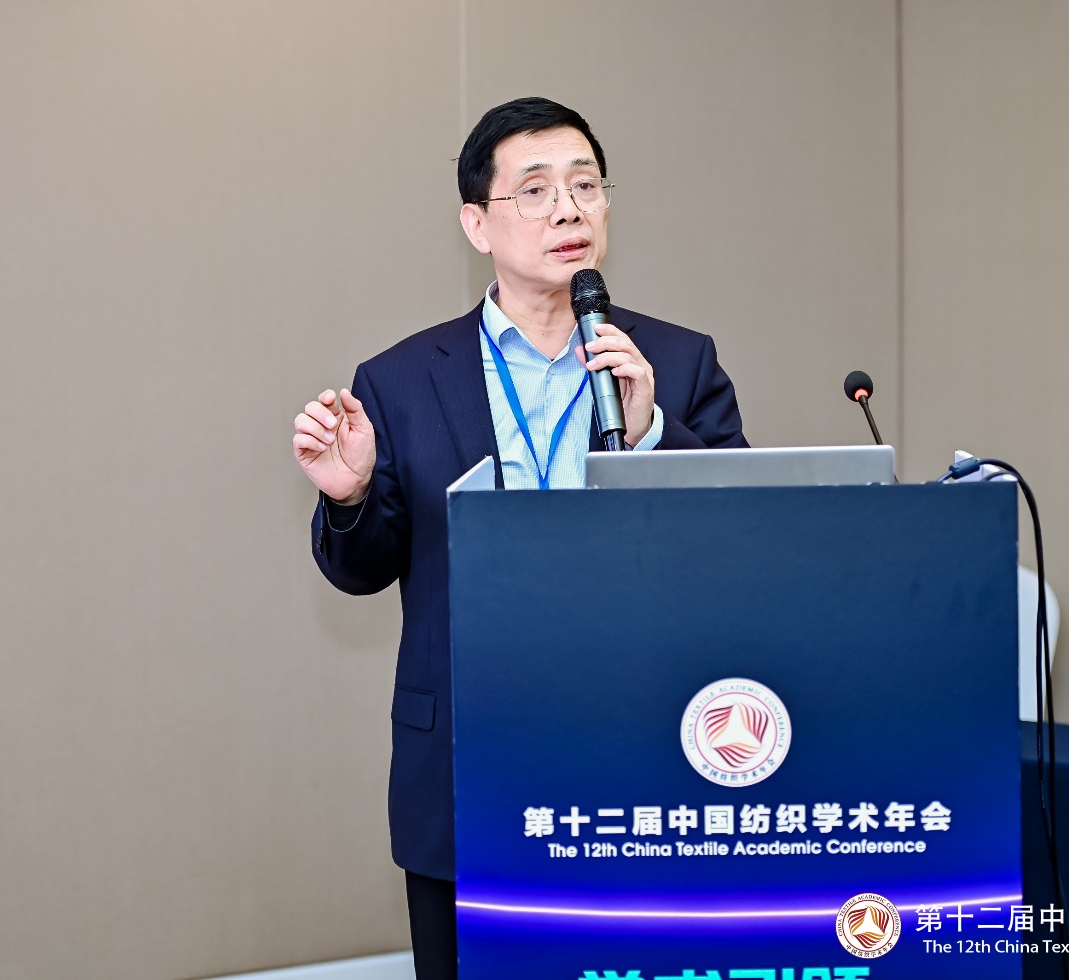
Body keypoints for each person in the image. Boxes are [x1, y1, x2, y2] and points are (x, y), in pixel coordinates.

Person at [292, 97, 747, 978]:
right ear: (477, 224)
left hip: (645, 751)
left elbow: (741, 548)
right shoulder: (399, 380)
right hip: (467, 758)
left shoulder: (677, 362)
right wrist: (349, 497)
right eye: (534, 191)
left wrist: (654, 433)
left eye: (585, 186)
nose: (567, 209)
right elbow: (363, 569)